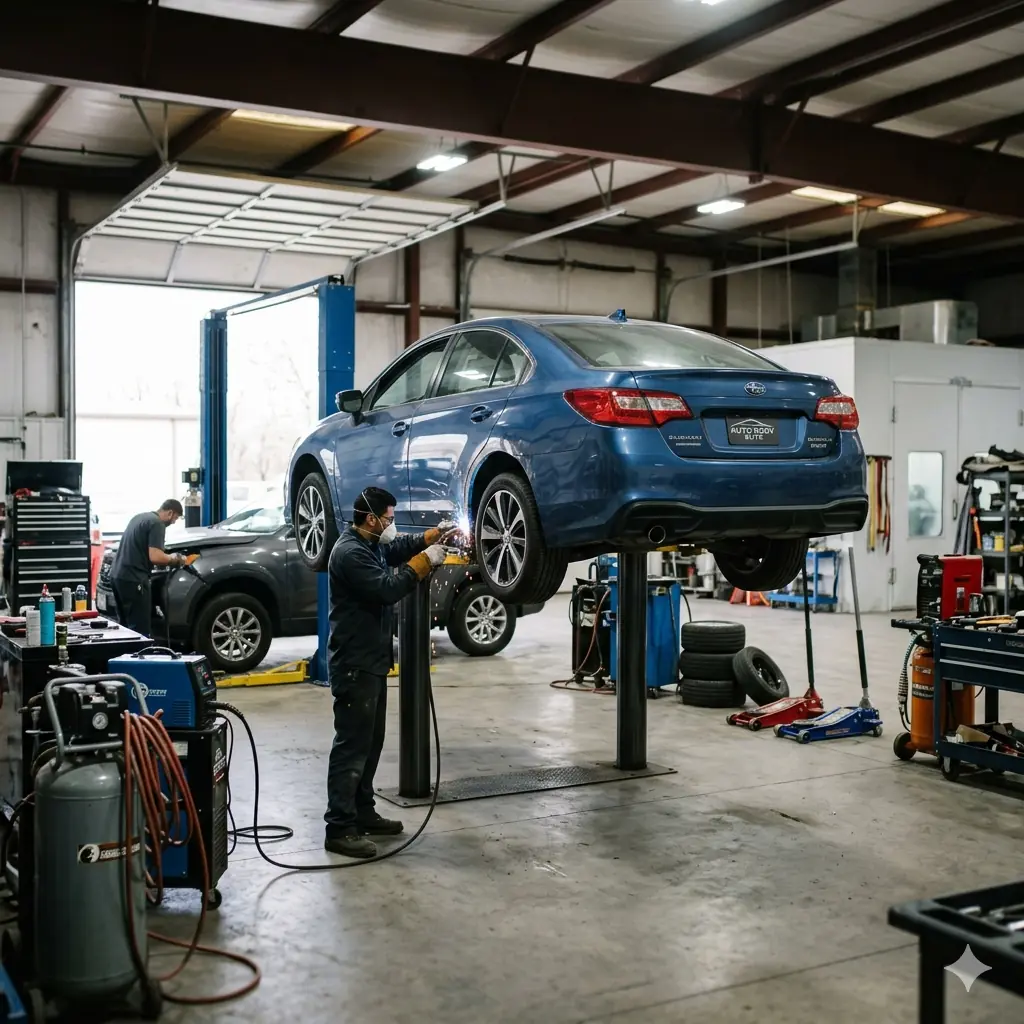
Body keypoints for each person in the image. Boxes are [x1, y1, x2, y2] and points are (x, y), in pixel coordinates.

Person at [324, 486, 454, 859]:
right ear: (371, 519)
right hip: (354, 665)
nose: (392, 525)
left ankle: (362, 812)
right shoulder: (350, 554)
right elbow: (387, 588)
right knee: (352, 747)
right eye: (389, 519)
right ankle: (340, 827)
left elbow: (397, 548)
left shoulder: (371, 543)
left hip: (371, 662)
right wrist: (425, 562)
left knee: (370, 743)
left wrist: (433, 536)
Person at [109, 499, 185, 635]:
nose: (174, 522)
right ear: (170, 512)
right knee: (139, 630)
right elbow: (155, 557)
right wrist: (174, 559)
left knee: (125, 627)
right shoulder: (157, 524)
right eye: (175, 518)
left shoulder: (140, 517)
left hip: (117, 576)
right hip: (134, 579)